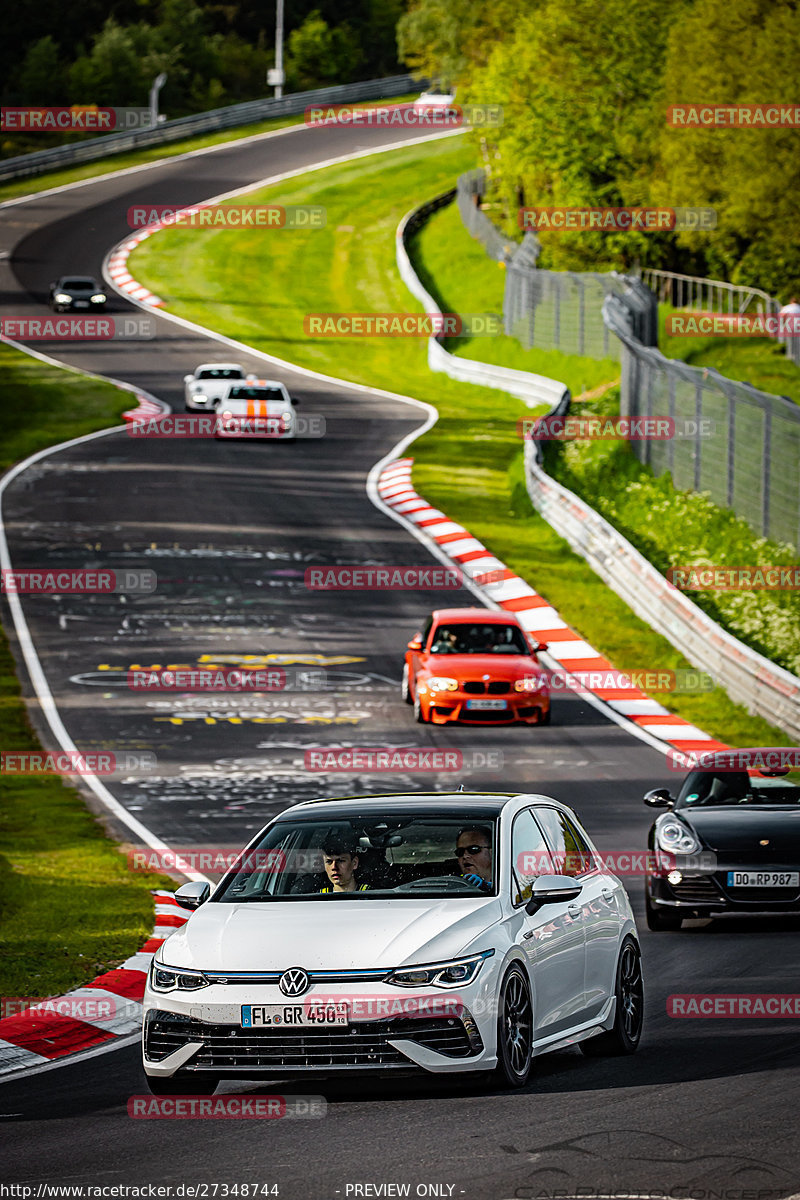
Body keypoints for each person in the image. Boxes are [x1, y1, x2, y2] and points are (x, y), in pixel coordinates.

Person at [455, 826, 493, 891]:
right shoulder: (452, 887)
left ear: (492, 853)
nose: (465, 856)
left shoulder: (507, 884)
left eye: (473, 849)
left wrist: (486, 886)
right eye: (460, 852)